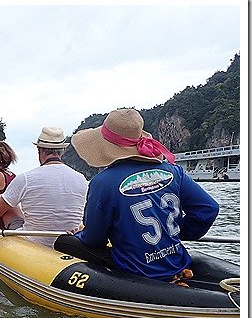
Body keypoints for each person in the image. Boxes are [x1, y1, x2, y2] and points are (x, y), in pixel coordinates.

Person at [55, 108, 219, 282]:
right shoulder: (174, 171)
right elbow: (208, 208)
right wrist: (176, 233)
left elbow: (95, 239)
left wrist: (79, 234)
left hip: (135, 268)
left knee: (64, 242)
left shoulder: (103, 182)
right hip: (177, 261)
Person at [0, 127, 88, 248]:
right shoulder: (82, 179)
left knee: (9, 209)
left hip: (33, 244)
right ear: (63, 150)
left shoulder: (26, 178)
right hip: (68, 244)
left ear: (39, 149)